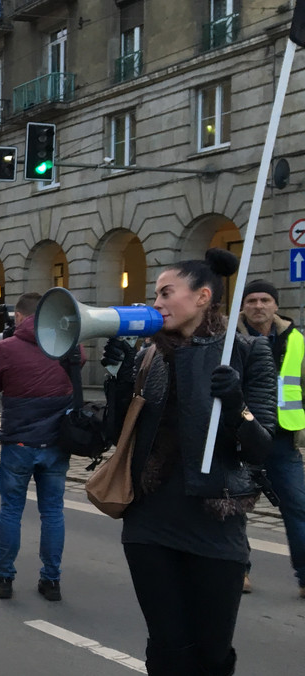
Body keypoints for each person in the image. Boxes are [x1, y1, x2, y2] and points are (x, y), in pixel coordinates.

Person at [101, 250, 276, 674]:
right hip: (150, 521)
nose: (157, 302)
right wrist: (117, 382)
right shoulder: (149, 356)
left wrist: (237, 406)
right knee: (167, 648)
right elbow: (111, 434)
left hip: (214, 522)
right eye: (156, 294)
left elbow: (263, 447)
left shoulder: (248, 354)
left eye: (166, 293)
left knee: (213, 652)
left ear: (201, 297)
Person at [0, 292, 79, 602]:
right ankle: (51, 581)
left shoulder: (7, 348)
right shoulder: (69, 343)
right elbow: (81, 362)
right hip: (57, 442)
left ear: (18, 317)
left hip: (18, 443)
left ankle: (4, 578)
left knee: (11, 511)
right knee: (53, 513)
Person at [235, 279, 305, 597]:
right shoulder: (229, 339)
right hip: (242, 434)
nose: (259, 306)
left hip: (283, 436)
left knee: (297, 505)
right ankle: (239, 571)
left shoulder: (297, 339)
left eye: (265, 300)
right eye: (252, 300)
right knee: (234, 506)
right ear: (243, 306)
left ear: (276, 305)